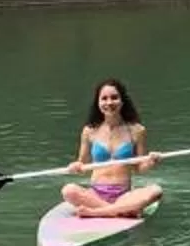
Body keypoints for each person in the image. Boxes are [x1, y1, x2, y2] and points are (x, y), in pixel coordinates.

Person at [60, 79, 161, 217]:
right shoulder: (89, 131)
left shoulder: (137, 130)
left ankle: (97, 212)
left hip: (123, 195)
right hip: (95, 195)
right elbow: (82, 165)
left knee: (156, 191)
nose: (109, 103)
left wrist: (151, 161)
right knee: (68, 190)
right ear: (98, 103)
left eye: (114, 98)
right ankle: (120, 211)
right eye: (104, 98)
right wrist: (75, 166)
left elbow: (138, 168)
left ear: (122, 101)